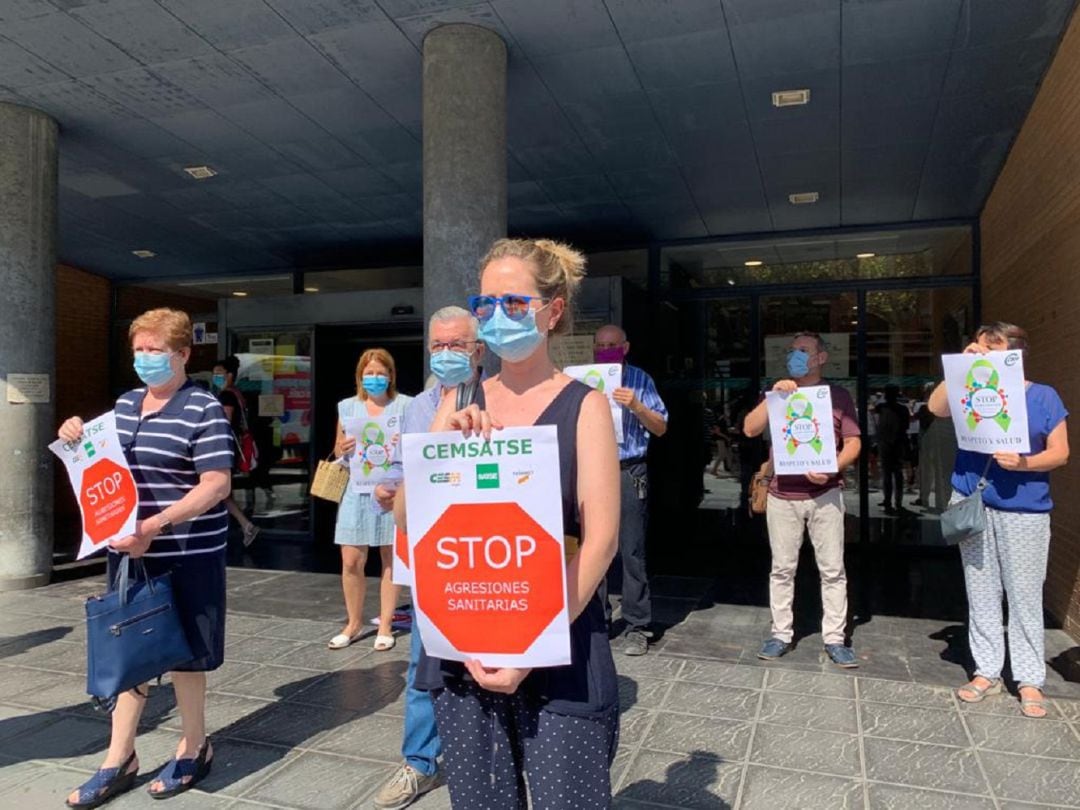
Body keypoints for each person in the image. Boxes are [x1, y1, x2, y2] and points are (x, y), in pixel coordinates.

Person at [396, 238, 621, 808]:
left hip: (558, 644)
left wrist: (529, 648)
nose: (498, 317)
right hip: (463, 647)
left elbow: (601, 540)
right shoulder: (458, 398)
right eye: (486, 303)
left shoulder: (584, 405)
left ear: (553, 310)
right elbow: (405, 518)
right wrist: (439, 447)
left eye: (515, 304)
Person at [60, 308, 233, 807]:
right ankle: (119, 758)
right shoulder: (125, 405)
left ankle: (194, 746)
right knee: (129, 652)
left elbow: (216, 485)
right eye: (139, 350)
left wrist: (155, 527)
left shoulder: (203, 408)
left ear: (182, 354)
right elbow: (98, 462)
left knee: (187, 656)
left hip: (187, 552)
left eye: (155, 350)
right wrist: (76, 433)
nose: (145, 359)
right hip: (130, 554)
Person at [369, 305, 484, 809]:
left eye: (456, 345)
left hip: (487, 553)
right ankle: (420, 762)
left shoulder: (501, 396)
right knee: (424, 659)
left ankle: (485, 758)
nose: (446, 353)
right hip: (429, 553)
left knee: (490, 659)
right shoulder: (416, 407)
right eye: (438, 345)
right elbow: (401, 467)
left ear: (478, 349)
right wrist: (388, 489)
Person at [928, 322, 1069, 718]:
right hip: (976, 505)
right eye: (981, 345)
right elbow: (936, 409)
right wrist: (959, 367)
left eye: (993, 346)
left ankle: (1028, 679)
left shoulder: (1043, 396)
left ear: (1016, 352)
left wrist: (1026, 463)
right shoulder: (970, 388)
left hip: (1024, 508)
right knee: (981, 590)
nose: (985, 352)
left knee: (1024, 595)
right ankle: (986, 670)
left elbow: (1060, 453)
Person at [743, 331, 862, 668]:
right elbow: (750, 429)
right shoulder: (778, 394)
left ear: (821, 358)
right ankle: (780, 634)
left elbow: (853, 442)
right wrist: (772, 397)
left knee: (833, 570)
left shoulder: (837, 396)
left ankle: (835, 638)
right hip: (783, 495)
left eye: (804, 350)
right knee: (781, 569)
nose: (795, 356)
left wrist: (832, 467)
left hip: (825, 494)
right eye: (792, 350)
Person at [328, 348, 412, 652]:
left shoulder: (406, 406)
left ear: (391, 375)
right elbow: (339, 453)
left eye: (380, 372)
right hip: (356, 489)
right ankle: (353, 623)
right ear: (360, 376)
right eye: (369, 373)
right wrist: (342, 448)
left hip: (392, 493)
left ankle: (386, 624)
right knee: (351, 559)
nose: (374, 378)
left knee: (390, 558)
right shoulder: (347, 408)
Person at [593, 323, 668, 656]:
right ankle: (597, 620)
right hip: (593, 470)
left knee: (631, 550)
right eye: (600, 344)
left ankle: (638, 625)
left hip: (628, 469)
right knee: (592, 549)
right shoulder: (582, 379)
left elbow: (661, 427)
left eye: (612, 344)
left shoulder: (641, 379)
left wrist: (636, 406)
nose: (605, 349)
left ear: (624, 347)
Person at [213, 355, 259, 545]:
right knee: (223, 492)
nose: (216, 377)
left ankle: (244, 525)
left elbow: (224, 421)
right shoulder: (237, 393)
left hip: (225, 448)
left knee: (218, 491)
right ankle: (245, 525)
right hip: (234, 446)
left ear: (230, 375)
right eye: (214, 374)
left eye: (219, 374)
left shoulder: (226, 396)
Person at [875, 384, 911, 514]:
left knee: (890, 473)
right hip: (894, 443)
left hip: (890, 443)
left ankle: (891, 501)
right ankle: (894, 501)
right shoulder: (901, 409)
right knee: (895, 473)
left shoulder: (882, 408)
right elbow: (906, 426)